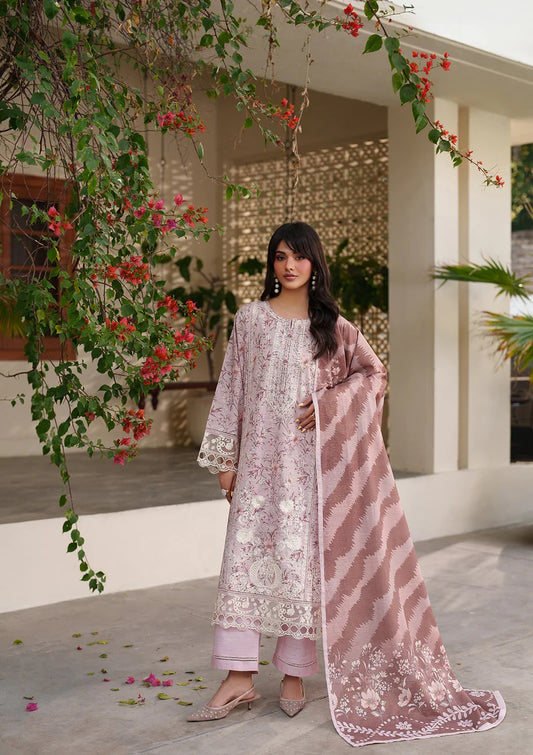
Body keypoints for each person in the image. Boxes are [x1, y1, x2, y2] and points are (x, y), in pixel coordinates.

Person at [189, 222, 506, 747]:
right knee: (242, 564)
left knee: (298, 569)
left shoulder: (333, 328)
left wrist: (329, 404)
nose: (289, 265)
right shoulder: (250, 320)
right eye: (280, 256)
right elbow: (231, 389)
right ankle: (238, 677)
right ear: (271, 264)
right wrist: (227, 458)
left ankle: (293, 675)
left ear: (315, 264)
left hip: (309, 470)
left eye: (299, 256)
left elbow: (374, 376)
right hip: (259, 466)